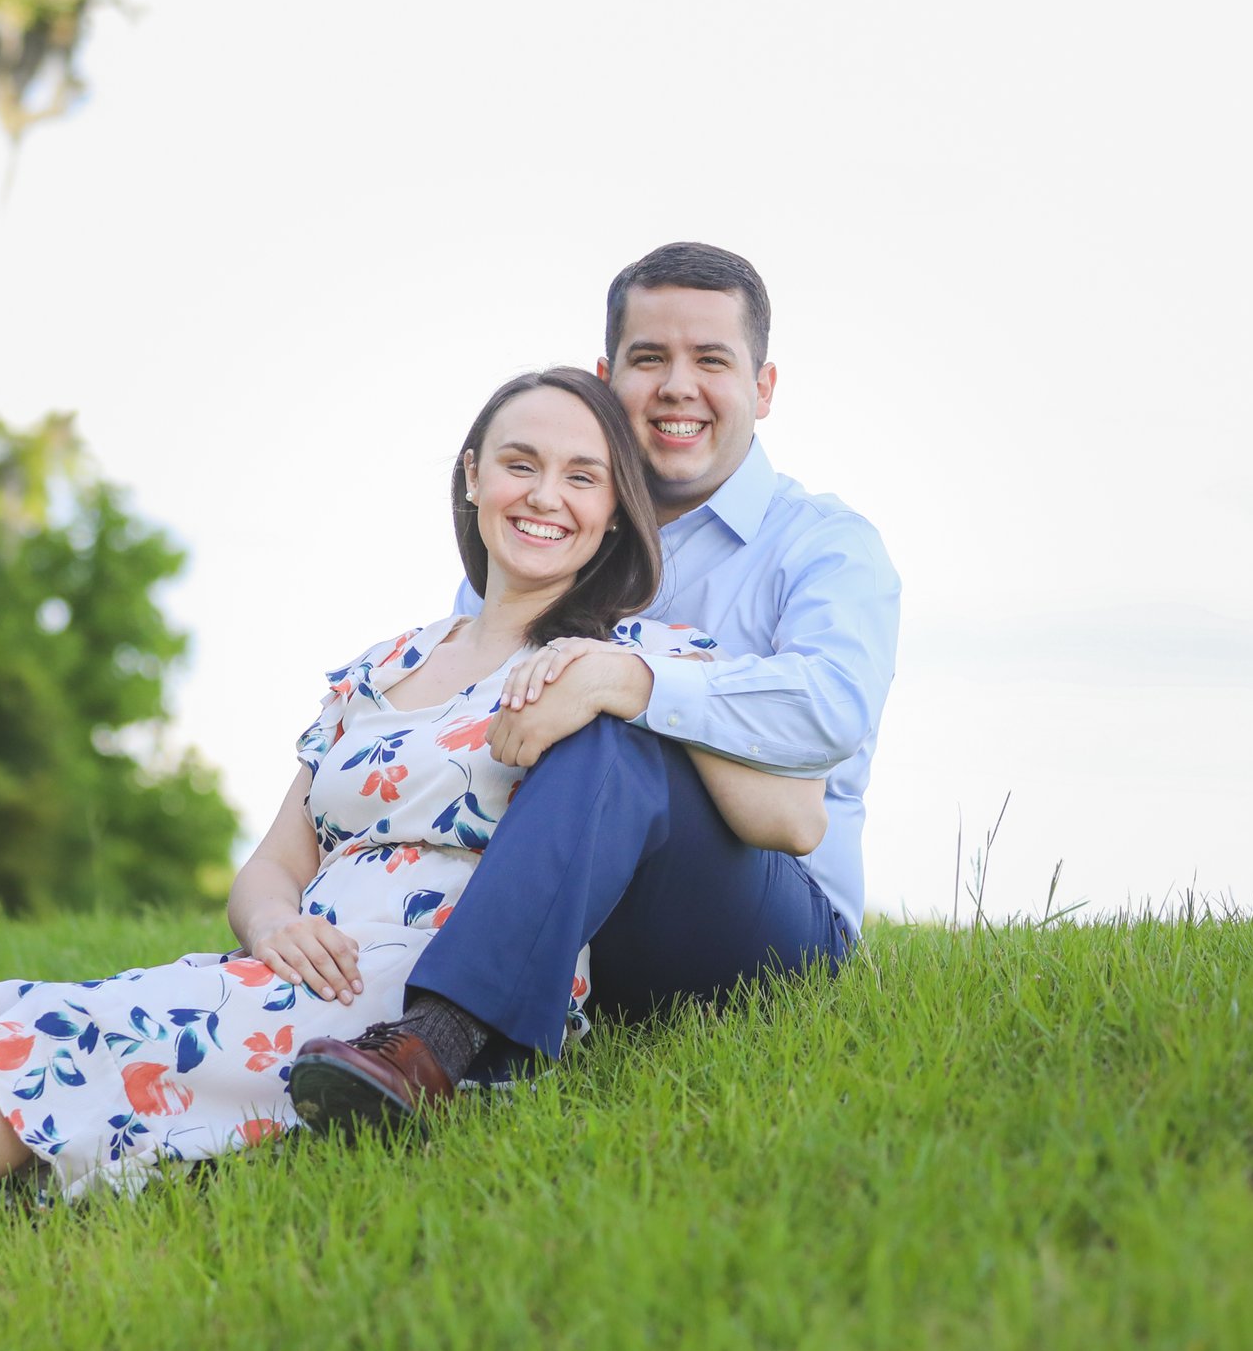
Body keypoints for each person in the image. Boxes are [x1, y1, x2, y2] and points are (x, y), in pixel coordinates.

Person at [0, 367, 827, 1313]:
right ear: (470, 477)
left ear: (614, 513)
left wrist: (627, 684)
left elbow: (788, 812)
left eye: (585, 475)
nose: (549, 493)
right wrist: (270, 915)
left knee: (50, 1042)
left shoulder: (638, 649)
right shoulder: (381, 662)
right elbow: (272, 853)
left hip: (414, 996)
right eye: (520, 459)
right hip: (302, 961)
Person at [288, 242, 899, 1132]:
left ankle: (443, 1042)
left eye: (711, 361)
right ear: (609, 379)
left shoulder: (825, 547)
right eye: (650, 359)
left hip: (760, 914)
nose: (678, 386)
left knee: (611, 729)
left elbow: (828, 714)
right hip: (563, 912)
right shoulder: (545, 533)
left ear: (763, 388)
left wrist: (630, 681)